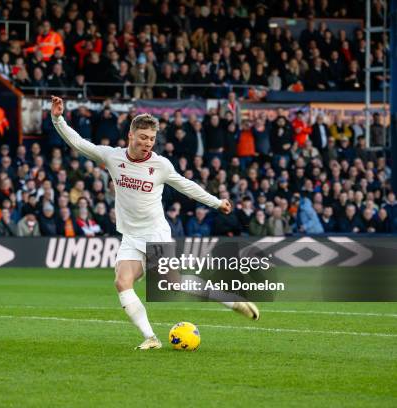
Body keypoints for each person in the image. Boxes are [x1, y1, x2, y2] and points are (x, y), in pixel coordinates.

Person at [50, 96, 259, 350]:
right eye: (143, 137)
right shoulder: (113, 158)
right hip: (130, 234)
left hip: (155, 233)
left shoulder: (160, 165)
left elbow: (187, 186)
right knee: (121, 282)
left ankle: (230, 300)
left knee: (173, 283)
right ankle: (151, 338)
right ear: (130, 135)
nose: (147, 143)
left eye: (151, 138)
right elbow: (78, 143)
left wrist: (216, 202)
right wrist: (58, 118)